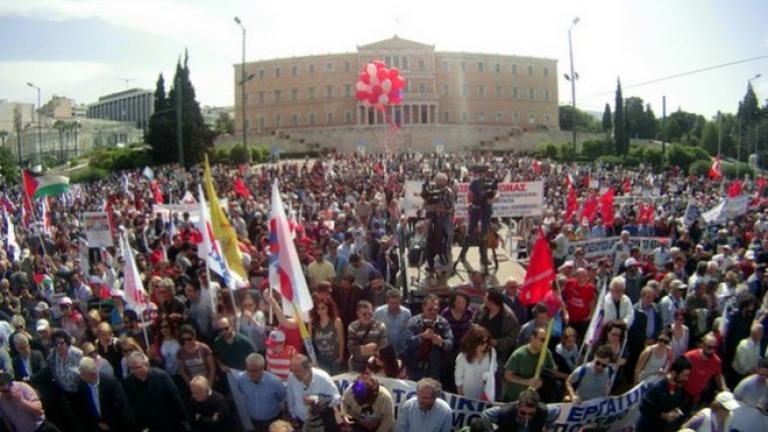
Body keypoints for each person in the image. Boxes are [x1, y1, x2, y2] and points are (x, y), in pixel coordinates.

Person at [123, 351, 188, 432]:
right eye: (132, 368)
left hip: (168, 422)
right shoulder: (128, 382)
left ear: (146, 364)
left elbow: (175, 397)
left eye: (138, 367)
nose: (135, 371)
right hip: (148, 425)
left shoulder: (161, 376)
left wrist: (183, 419)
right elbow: (130, 405)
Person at [75, 357, 135, 432]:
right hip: (96, 426)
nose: (80, 376)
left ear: (92, 374)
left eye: (83, 374)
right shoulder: (82, 385)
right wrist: (97, 423)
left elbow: (123, 409)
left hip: (116, 426)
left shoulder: (111, 384)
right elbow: (83, 408)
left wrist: (111, 426)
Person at [404, 294, 454, 381]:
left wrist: (441, 342)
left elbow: (450, 343)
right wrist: (422, 336)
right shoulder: (414, 322)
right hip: (415, 367)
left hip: (434, 369)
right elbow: (408, 341)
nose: (433, 312)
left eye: (436, 309)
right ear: (423, 307)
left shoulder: (443, 322)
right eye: (430, 309)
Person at [286, 354, 341, 431]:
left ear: (308, 368)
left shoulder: (322, 377)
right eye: (292, 371)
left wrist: (317, 399)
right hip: (302, 420)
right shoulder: (291, 378)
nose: (294, 374)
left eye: (298, 371)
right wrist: (294, 416)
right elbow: (290, 398)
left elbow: (337, 398)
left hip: (323, 420)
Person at [636, 356, 692, 431]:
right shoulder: (656, 387)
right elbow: (643, 408)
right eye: (684, 375)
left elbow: (676, 404)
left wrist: (676, 411)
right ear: (674, 373)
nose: (686, 378)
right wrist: (662, 415)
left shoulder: (678, 387)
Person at [236, 353, 287, 432]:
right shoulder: (242, 380)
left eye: (253, 371)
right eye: (248, 369)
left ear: (262, 368)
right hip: (255, 420)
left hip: (274, 419)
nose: (250, 373)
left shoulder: (275, 382)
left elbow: (281, 396)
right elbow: (242, 391)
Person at [504, 327, 555, 402]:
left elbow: (552, 372)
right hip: (515, 398)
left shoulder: (546, 354)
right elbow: (507, 375)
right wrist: (526, 382)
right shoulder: (519, 354)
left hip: (533, 401)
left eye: (547, 340)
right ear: (533, 338)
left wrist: (542, 381)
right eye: (542, 340)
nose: (544, 343)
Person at [684, 334, 727, 408]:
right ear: (702, 345)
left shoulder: (716, 361)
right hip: (683, 392)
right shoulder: (689, 356)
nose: (712, 350)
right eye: (709, 347)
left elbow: (718, 376)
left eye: (714, 347)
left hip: (698, 395)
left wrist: (724, 388)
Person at [455, 324, 496, 400]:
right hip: (467, 396)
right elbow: (458, 379)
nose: (485, 345)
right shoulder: (462, 357)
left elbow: (494, 370)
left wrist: (487, 377)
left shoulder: (491, 353)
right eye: (481, 343)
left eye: (487, 342)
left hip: (484, 396)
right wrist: (461, 398)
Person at [347, 300, 388, 373]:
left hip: (375, 367)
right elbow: (351, 348)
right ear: (358, 314)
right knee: (358, 385)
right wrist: (368, 348)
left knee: (376, 384)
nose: (368, 316)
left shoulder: (381, 326)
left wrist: (363, 350)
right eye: (364, 314)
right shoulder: (353, 327)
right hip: (357, 367)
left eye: (370, 313)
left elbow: (384, 347)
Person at [308, 295, 345, 375]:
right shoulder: (312, 323)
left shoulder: (336, 321)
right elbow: (309, 342)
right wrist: (313, 359)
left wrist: (341, 356)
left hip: (335, 358)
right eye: (318, 309)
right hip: (321, 359)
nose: (321, 311)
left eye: (323, 308)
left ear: (328, 307)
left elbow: (341, 340)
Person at [481, 389, 547, 432]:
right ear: (518, 406)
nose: (527, 416)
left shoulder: (543, 411)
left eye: (531, 414)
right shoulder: (505, 412)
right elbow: (485, 414)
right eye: (523, 413)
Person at [373, 289, 412, 357]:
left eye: (396, 303)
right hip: (383, 352)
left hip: (402, 351)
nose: (394, 306)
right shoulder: (378, 312)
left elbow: (409, 331)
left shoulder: (407, 313)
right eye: (391, 303)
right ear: (386, 301)